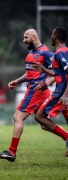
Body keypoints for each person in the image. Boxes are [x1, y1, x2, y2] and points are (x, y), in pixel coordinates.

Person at [0, 29, 54, 162]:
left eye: (26, 37)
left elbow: (58, 71)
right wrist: (17, 81)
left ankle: (12, 152)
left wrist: (46, 83)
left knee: (17, 117)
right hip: (38, 91)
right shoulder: (31, 53)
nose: (24, 40)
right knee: (44, 123)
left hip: (35, 91)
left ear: (34, 37)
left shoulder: (46, 52)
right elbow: (29, 74)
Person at [34, 27, 68, 156]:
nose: (51, 36)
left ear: (56, 36)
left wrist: (65, 95)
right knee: (45, 122)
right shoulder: (60, 52)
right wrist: (43, 70)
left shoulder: (61, 52)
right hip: (62, 92)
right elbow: (58, 73)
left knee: (40, 117)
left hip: (61, 93)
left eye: (52, 34)